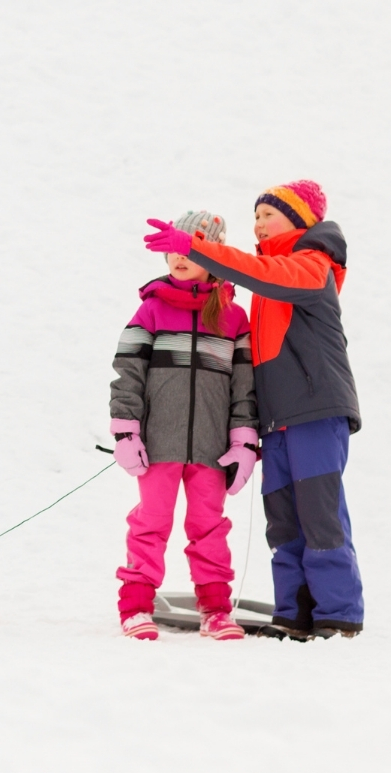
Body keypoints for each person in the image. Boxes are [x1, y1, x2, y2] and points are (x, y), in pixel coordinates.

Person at [142, 180, 364, 639]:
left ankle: (338, 613)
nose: (259, 224)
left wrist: (197, 248)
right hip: (276, 420)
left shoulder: (311, 265)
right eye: (256, 216)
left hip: (315, 410)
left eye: (269, 215)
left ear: (300, 220)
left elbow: (253, 270)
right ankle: (293, 613)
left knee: (319, 513)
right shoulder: (268, 274)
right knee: (283, 519)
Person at [110, 211, 259, 641]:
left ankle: (216, 610)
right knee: (151, 522)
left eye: (190, 250)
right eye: (174, 250)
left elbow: (245, 386)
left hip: (212, 447)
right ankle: (136, 607)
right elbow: (128, 373)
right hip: (159, 443)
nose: (179, 258)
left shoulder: (233, 318)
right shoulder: (151, 309)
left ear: (212, 256)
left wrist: (243, 439)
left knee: (209, 526)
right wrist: (126, 431)